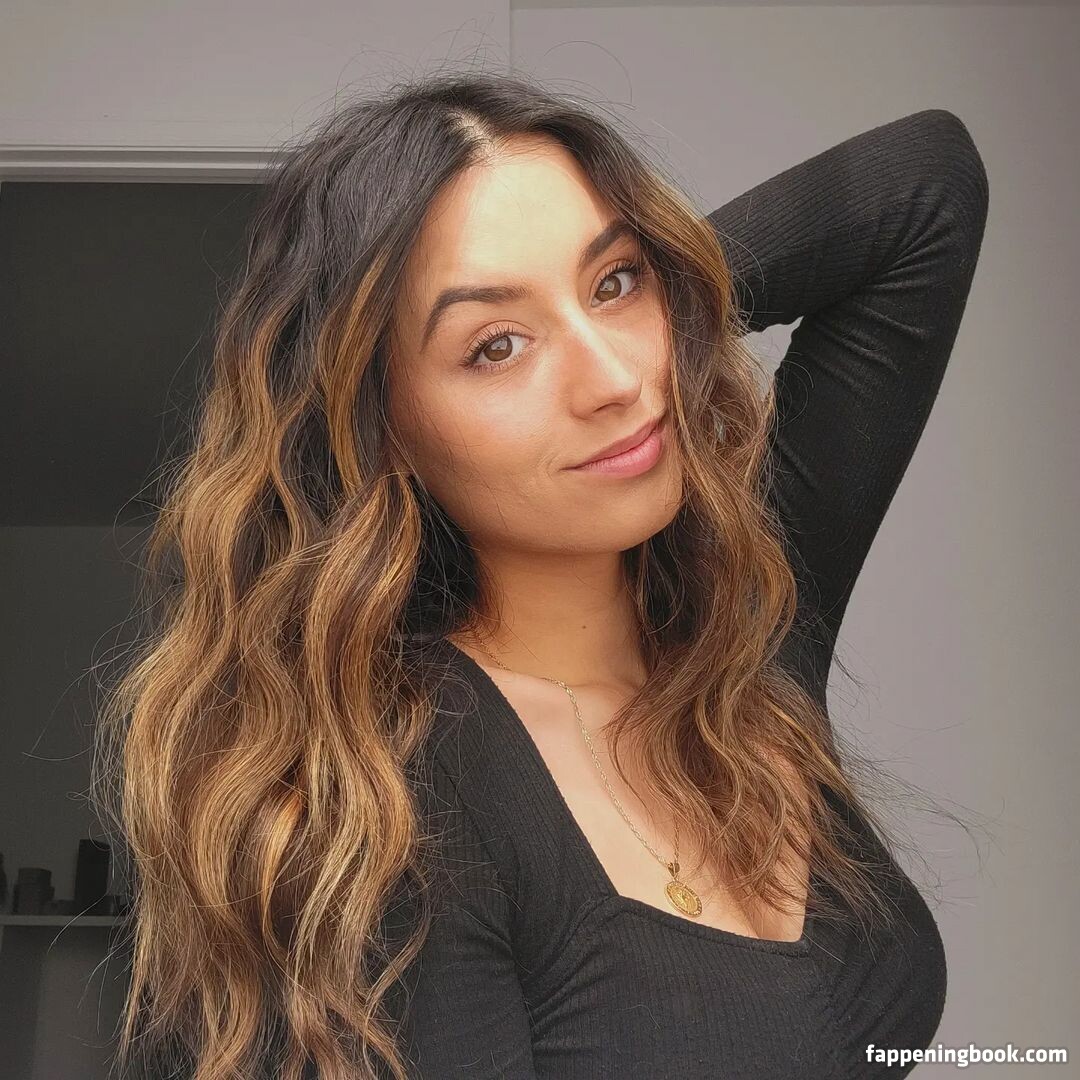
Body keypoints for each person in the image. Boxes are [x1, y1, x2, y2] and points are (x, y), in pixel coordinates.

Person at [95, 70, 989, 1080]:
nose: (616, 379)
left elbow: (923, 186)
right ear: (380, 426)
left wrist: (674, 290)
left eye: (616, 282)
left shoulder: (743, 627)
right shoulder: (401, 808)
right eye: (496, 347)